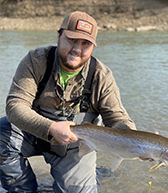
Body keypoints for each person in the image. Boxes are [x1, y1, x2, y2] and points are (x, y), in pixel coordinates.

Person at [0, 11, 137, 193]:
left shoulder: (102, 76)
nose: (77, 49)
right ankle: (22, 189)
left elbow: (117, 118)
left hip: (76, 146)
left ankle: (94, 174)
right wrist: (51, 128)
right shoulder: (36, 61)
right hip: (32, 133)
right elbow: (14, 107)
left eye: (85, 44)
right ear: (59, 35)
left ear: (93, 47)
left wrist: (140, 143)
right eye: (72, 39)